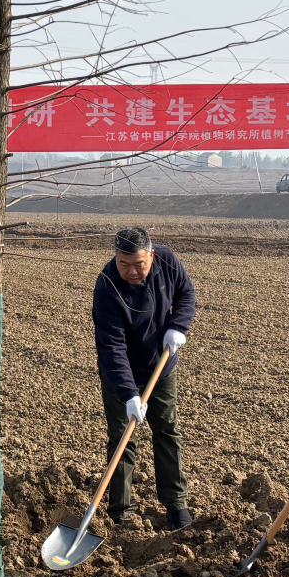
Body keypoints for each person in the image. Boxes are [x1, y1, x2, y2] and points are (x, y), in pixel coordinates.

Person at [91, 226, 196, 531]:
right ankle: (120, 512)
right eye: (124, 264)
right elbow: (112, 347)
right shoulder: (108, 285)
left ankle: (177, 506)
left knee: (167, 431)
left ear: (151, 255)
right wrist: (128, 394)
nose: (132, 271)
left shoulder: (166, 259)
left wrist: (179, 326)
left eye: (139, 264)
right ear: (116, 258)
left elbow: (186, 293)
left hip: (160, 365)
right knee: (122, 438)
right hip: (120, 372)